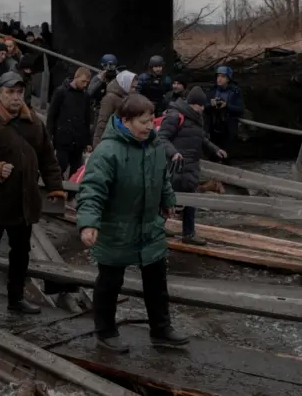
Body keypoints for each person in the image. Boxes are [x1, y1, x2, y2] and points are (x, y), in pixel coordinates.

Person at [76, 93, 188, 353]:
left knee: (157, 280)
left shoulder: (155, 145)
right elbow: (92, 189)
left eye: (151, 120)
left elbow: (162, 177)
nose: (150, 126)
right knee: (110, 282)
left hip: (149, 225)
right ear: (126, 121)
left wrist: (167, 199)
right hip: (116, 226)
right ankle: (105, 331)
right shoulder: (107, 151)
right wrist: (89, 224)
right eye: (144, 121)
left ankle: (161, 329)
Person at [0, 71, 65, 318]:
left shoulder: (34, 123)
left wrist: (55, 187)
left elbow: (48, 158)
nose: (15, 97)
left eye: (19, 92)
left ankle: (16, 298)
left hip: (25, 201)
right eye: (10, 92)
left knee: (20, 253)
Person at [158, 86, 227, 246]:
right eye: (201, 105)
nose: (203, 109)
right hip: (175, 165)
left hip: (190, 165)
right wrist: (173, 153)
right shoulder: (175, 116)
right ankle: (159, 227)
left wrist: (215, 149)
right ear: (193, 104)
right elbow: (162, 138)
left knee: (191, 199)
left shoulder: (196, 119)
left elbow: (201, 138)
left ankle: (188, 233)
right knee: (168, 197)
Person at [47, 67, 92, 178]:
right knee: (60, 165)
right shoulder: (61, 92)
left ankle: (70, 193)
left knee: (76, 169)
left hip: (78, 140)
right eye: (83, 81)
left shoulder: (85, 97)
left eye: (87, 82)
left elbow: (86, 120)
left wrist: (87, 141)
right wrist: (49, 135)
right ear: (76, 77)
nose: (85, 84)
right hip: (63, 137)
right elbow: (52, 115)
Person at [204, 66, 244, 154]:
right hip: (213, 127)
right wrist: (211, 104)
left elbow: (240, 109)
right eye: (218, 76)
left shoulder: (235, 91)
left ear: (228, 78)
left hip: (228, 129)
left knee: (226, 154)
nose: (219, 79)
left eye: (223, 76)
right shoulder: (213, 90)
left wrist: (227, 106)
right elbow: (204, 107)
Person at [93, 70, 137, 147]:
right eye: (132, 87)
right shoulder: (110, 99)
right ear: (125, 84)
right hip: (109, 140)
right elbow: (102, 121)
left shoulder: (128, 98)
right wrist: (97, 144)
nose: (134, 90)